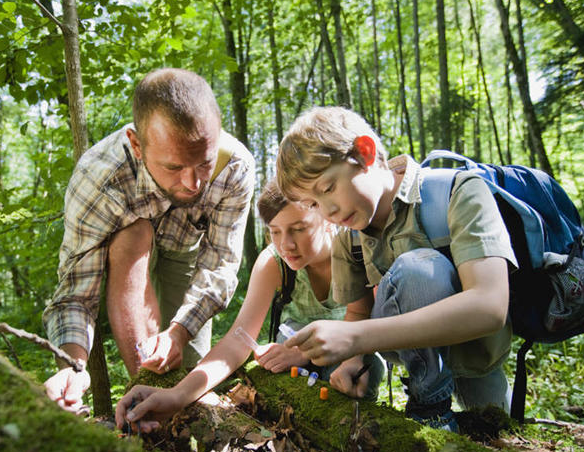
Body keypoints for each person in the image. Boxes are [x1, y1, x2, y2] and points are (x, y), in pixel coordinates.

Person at [275, 106, 518, 431]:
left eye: (329, 188)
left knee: (501, 433)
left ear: (365, 152)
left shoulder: (458, 192)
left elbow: (490, 306)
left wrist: (355, 338)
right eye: (314, 204)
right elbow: (358, 312)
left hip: (476, 354)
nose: (328, 211)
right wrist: (353, 360)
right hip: (418, 364)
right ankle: (430, 409)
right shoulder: (349, 238)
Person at [42, 68, 255, 413]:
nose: (193, 184)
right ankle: (145, 396)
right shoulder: (99, 179)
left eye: (204, 163)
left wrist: (179, 332)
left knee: (189, 376)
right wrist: (73, 366)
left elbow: (220, 263)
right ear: (137, 145)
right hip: (127, 257)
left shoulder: (235, 167)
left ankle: (184, 420)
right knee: (134, 233)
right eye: (174, 167)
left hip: (185, 254)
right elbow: (76, 293)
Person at [116, 181, 384, 433]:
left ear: (327, 218)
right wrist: (177, 395)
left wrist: (305, 354)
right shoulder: (274, 262)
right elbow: (238, 341)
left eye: (299, 229)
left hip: (352, 348)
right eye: (275, 231)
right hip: (291, 349)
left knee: (363, 372)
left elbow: (367, 321)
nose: (286, 245)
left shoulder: (354, 251)